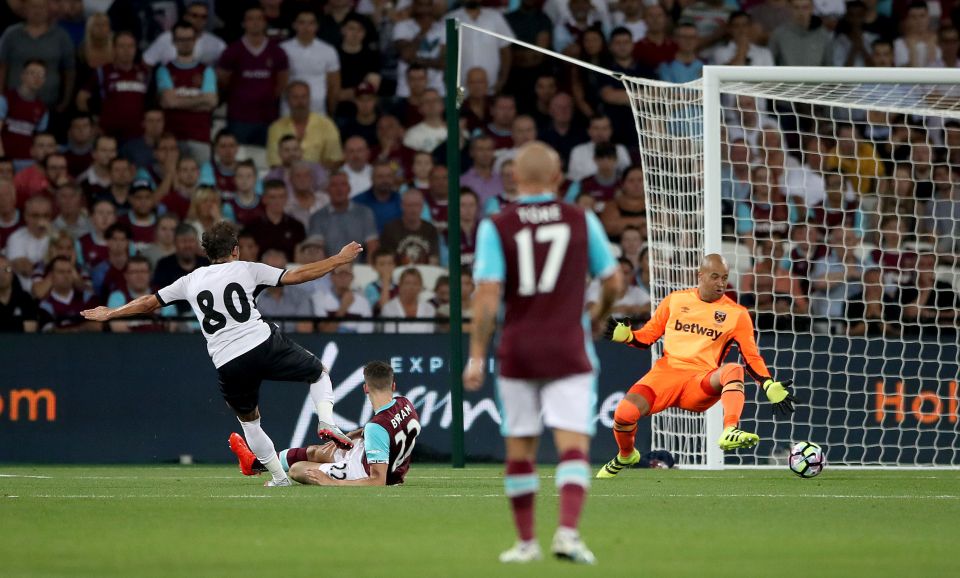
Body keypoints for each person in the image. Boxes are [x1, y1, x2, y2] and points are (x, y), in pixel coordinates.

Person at [82, 222, 365, 487]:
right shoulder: (246, 269)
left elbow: (148, 304)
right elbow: (297, 275)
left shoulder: (190, 280)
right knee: (318, 373)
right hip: (262, 343)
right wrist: (338, 259)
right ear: (235, 250)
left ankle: (279, 478)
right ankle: (326, 420)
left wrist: (112, 312)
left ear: (205, 253)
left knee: (250, 422)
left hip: (228, 361)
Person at [463, 142, 623, 565]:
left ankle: (525, 543)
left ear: (513, 177)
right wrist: (597, 316)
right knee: (572, 447)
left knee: (520, 449)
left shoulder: (496, 225)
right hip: (569, 345)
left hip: (519, 349)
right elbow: (613, 281)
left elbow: (487, 295)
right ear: (557, 179)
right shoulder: (581, 219)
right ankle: (568, 534)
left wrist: (477, 354)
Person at [597, 254, 799, 478]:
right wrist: (627, 336)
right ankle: (627, 455)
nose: (721, 283)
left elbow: (751, 356)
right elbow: (647, 337)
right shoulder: (675, 300)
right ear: (700, 276)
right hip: (665, 375)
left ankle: (730, 429)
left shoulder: (737, 314)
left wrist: (767, 383)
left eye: (724, 277)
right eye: (715, 277)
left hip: (699, 382)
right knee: (624, 413)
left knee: (734, 369)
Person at [229, 360, 420, 487]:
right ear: (393, 386)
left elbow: (378, 480)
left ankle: (264, 468)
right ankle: (253, 464)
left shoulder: (377, 427)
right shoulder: (405, 404)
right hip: (374, 457)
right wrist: (357, 433)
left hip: (363, 472)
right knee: (316, 451)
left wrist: (331, 482)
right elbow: (390, 430)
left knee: (298, 470)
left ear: (365, 388)